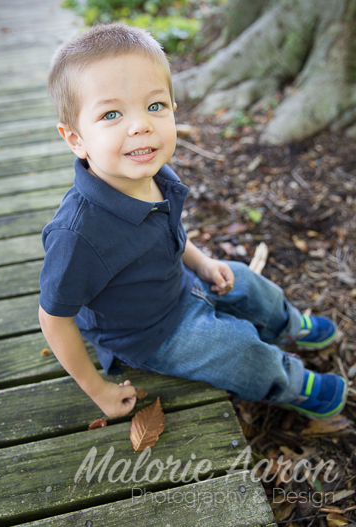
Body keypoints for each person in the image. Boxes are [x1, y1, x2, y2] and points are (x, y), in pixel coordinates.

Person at [37, 23, 344, 421]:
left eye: (154, 106)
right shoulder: (78, 234)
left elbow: (167, 234)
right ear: (75, 138)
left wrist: (200, 263)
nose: (140, 125)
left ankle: (288, 324)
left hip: (182, 285)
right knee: (239, 350)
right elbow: (53, 318)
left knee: (247, 282)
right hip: (149, 333)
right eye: (111, 114)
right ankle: (291, 382)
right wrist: (98, 390)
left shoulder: (155, 175)